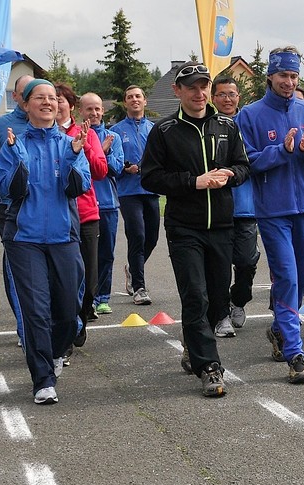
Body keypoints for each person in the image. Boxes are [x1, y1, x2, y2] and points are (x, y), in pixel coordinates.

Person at [140, 62, 250, 397]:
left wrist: (230, 175)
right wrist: (193, 182)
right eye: (192, 87)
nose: (199, 93)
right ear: (178, 91)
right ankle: (209, 367)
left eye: (204, 86)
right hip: (184, 227)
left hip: (222, 225)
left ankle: (192, 341)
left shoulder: (227, 126)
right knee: (194, 295)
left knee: (218, 301)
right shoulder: (164, 130)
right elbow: (150, 177)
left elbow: (244, 166)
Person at [236, 47, 304, 383]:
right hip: (272, 211)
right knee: (287, 278)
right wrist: (282, 150)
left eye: (294, 76)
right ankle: (295, 354)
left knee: (301, 281)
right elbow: (246, 161)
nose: (289, 82)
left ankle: (280, 329)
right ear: (270, 76)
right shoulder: (250, 115)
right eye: (283, 76)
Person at [0, 79, 91, 404]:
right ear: (25, 105)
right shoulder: (14, 143)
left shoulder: (70, 143)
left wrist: (74, 154)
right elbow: (7, 190)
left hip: (64, 237)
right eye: (40, 97)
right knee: (36, 310)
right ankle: (43, 380)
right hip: (24, 239)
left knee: (68, 310)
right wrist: (17, 158)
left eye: (52, 97)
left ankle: (55, 352)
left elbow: (78, 186)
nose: (48, 102)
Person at [0, 74, 33, 345]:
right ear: (16, 96)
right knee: (16, 270)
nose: (31, 98)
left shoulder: (49, 123)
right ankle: (25, 328)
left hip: (43, 209)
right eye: (26, 93)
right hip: (10, 209)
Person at [55, 84, 108, 349]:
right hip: (57, 217)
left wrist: (84, 146)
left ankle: (81, 320)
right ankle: (63, 333)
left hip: (86, 215)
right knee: (63, 281)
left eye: (60, 100)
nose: (55, 104)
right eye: (51, 99)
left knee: (88, 282)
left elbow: (100, 171)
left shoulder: (86, 133)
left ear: (71, 106)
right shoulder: (43, 136)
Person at [210, 76, 260, 335]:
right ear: (213, 98)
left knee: (246, 261)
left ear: (239, 97)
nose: (227, 99)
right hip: (216, 208)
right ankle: (220, 315)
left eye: (232, 94)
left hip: (246, 207)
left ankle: (238, 301)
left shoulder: (248, 123)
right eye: (222, 94)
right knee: (218, 266)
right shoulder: (207, 125)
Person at [110, 85, 160, 305]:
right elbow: (111, 162)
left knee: (152, 238)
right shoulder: (116, 131)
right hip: (128, 191)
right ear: (125, 102)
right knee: (137, 236)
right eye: (130, 97)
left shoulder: (154, 129)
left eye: (138, 96)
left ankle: (132, 269)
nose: (134, 99)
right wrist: (124, 169)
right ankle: (139, 287)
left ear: (145, 101)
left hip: (151, 189)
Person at [78, 92, 125, 316]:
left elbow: (116, 168)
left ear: (103, 111)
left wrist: (102, 153)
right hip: (85, 206)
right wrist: (98, 151)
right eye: (89, 109)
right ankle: (86, 298)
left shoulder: (112, 137)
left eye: (97, 109)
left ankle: (103, 297)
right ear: (81, 111)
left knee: (106, 254)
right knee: (85, 257)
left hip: (107, 204)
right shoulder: (76, 136)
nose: (94, 113)